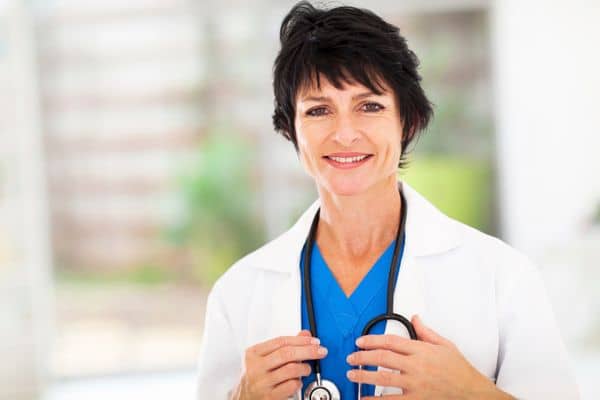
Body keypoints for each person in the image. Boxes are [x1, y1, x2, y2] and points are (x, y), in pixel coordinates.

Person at [196, 1, 579, 399]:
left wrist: (472, 392)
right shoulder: (238, 293)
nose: (345, 134)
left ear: (407, 121)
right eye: (319, 110)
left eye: (370, 106)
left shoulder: (503, 277)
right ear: (291, 131)